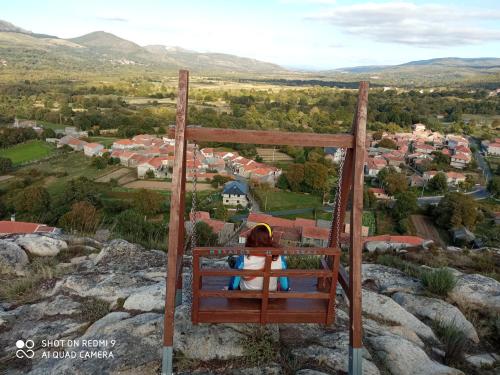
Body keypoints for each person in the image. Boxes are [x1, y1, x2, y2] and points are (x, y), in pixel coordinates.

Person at [228, 223, 289, 291]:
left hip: (246, 296)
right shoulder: (279, 258)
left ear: (251, 238)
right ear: (270, 239)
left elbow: (234, 286)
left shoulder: (243, 258)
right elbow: (285, 286)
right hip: (270, 296)